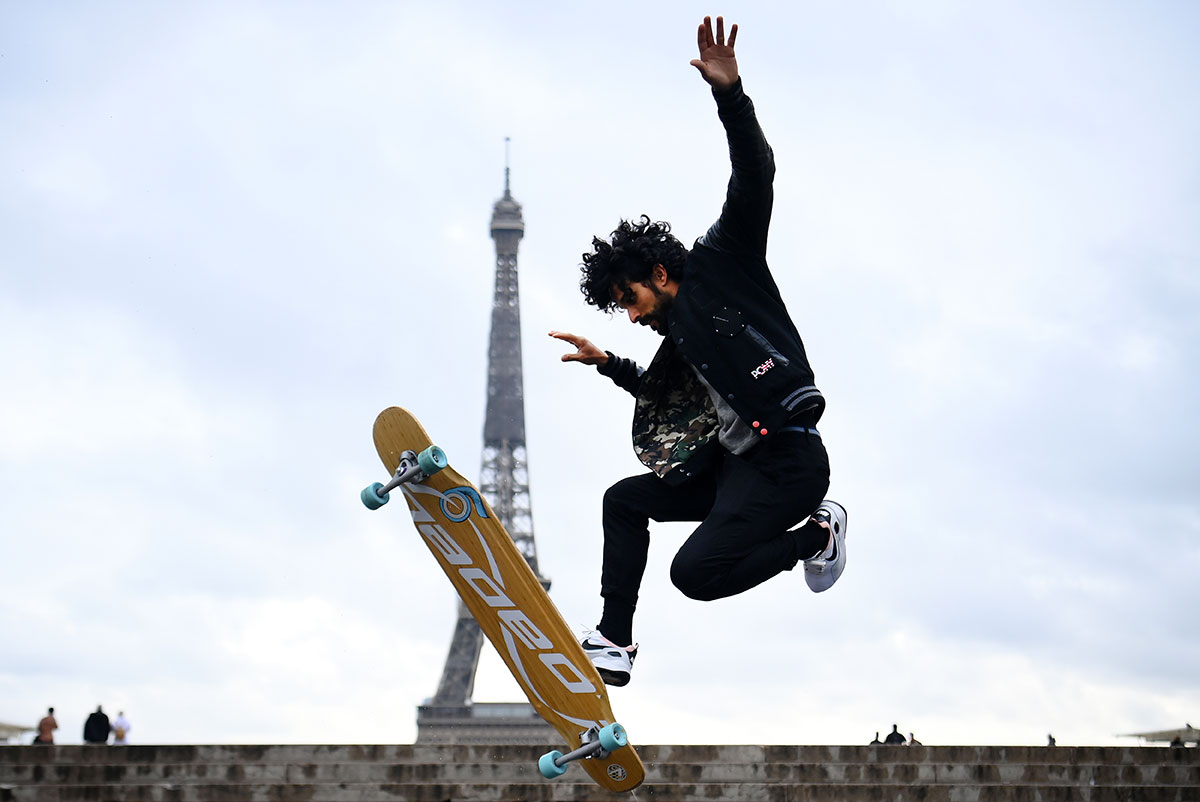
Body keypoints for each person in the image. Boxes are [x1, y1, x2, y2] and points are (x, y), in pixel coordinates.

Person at [549, 14, 847, 687]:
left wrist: (729, 94)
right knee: (623, 501)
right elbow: (665, 394)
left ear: (658, 273)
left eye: (629, 299)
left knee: (694, 574)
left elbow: (756, 173)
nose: (630, 315)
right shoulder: (678, 337)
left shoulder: (724, 264)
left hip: (788, 463)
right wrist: (608, 365)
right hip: (735, 468)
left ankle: (817, 537)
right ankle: (614, 640)